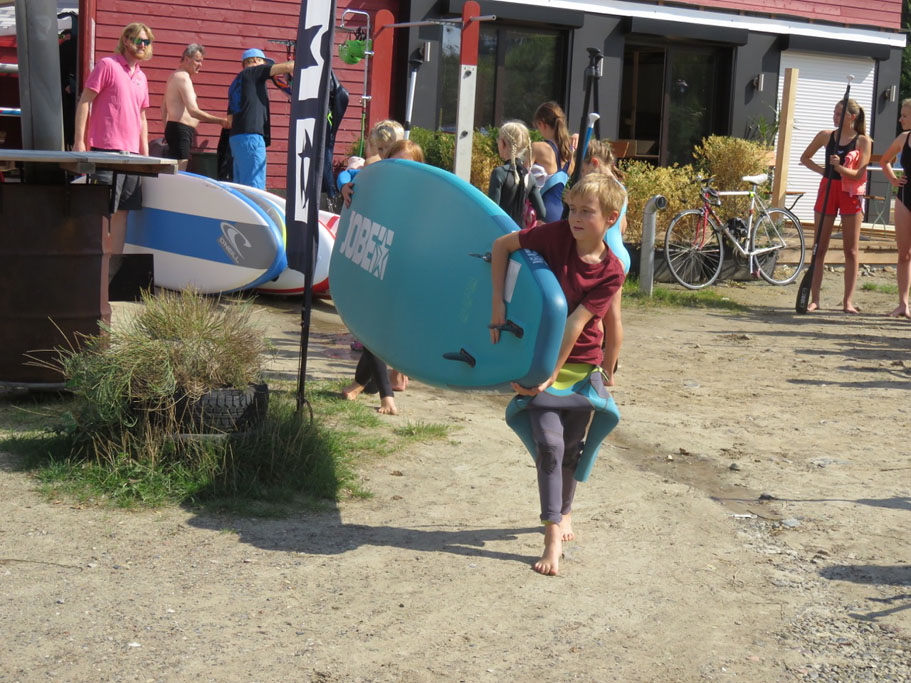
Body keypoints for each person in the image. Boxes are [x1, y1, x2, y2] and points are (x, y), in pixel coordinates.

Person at [490, 173, 626, 575]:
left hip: (580, 366)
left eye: (587, 211)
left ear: (611, 218)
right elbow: (501, 245)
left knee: (570, 448)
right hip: (540, 359)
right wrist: (498, 303)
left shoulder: (612, 271)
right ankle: (551, 537)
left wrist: (606, 364)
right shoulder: (553, 236)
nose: (576, 218)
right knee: (550, 446)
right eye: (572, 209)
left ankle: (565, 510)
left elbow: (578, 323)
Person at [340, 139, 426, 414]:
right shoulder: (376, 182)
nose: (402, 169)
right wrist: (344, 186)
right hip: (375, 262)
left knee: (383, 329)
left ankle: (363, 384)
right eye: (396, 162)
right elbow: (350, 176)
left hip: (402, 268)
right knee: (372, 326)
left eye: (409, 164)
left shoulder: (422, 194)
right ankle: (383, 394)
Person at [73, 22, 154, 271]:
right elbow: (85, 101)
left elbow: (141, 117)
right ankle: (91, 268)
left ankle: (112, 271)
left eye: (147, 41)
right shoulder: (107, 65)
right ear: (126, 40)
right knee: (101, 212)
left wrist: (145, 154)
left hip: (132, 156)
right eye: (139, 40)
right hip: (105, 150)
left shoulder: (141, 77)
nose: (143, 45)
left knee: (123, 213)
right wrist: (79, 141)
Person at [799, 98, 872, 313]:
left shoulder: (863, 141)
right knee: (819, 248)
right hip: (828, 189)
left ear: (852, 117)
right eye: (834, 113)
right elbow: (805, 157)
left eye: (839, 114)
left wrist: (839, 169)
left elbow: (858, 174)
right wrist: (825, 171)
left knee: (851, 250)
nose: (835, 117)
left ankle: (847, 301)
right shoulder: (825, 136)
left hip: (849, 192)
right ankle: (815, 299)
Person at [582, 138, 630, 385]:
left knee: (597, 317)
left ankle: (600, 367)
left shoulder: (600, 189)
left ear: (594, 163)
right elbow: (622, 226)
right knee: (614, 317)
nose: (583, 177)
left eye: (583, 171)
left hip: (607, 256)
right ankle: (609, 370)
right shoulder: (620, 189)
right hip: (621, 254)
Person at [226, 48, 294, 189]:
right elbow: (289, 66)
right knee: (254, 189)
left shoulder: (236, 84)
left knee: (241, 189)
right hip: (252, 137)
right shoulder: (253, 72)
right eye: (264, 63)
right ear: (257, 61)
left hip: (236, 139)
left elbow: (229, 120)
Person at [161, 44, 228, 168]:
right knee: (180, 171)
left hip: (176, 129)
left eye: (201, 61)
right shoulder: (183, 78)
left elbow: (164, 109)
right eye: (197, 60)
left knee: (175, 170)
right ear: (187, 59)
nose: (200, 64)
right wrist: (220, 121)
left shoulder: (173, 76)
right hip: (181, 130)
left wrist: (167, 130)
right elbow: (193, 111)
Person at [879, 99, 911, 318]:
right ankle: (903, 304)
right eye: (901, 114)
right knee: (904, 253)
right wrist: (893, 179)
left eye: (904, 115)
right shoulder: (903, 138)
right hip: (905, 198)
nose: (900, 119)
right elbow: (884, 161)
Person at [488, 120, 545, 228]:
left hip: (501, 230)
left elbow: (492, 210)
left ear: (503, 143)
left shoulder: (499, 173)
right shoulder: (529, 176)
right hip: (520, 233)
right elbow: (542, 212)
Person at [531, 101, 574, 223]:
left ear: (542, 124)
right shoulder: (570, 154)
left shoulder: (537, 147)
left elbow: (522, 179)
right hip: (560, 213)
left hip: (540, 213)